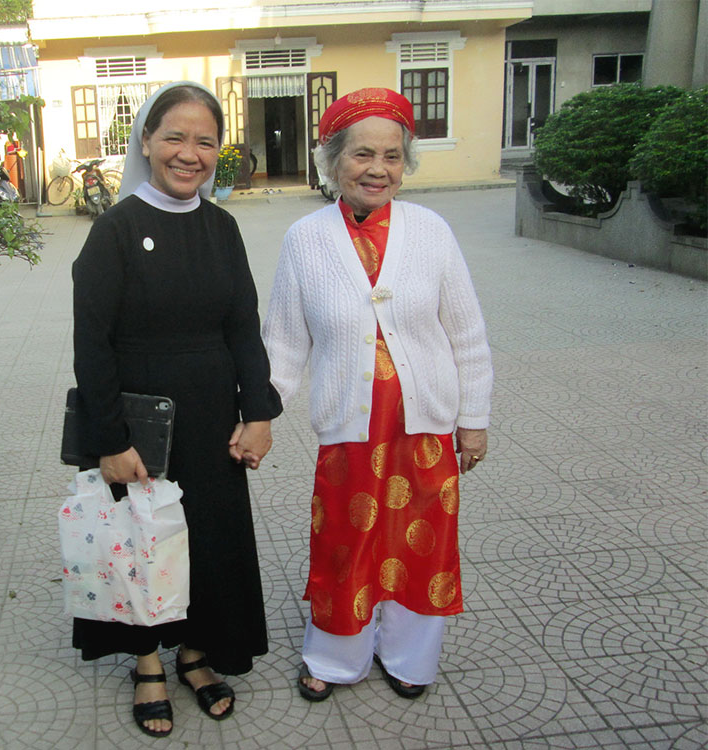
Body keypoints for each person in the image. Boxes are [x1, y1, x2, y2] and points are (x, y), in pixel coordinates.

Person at [261, 88, 493, 702]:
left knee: (421, 543)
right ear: (333, 160)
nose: (378, 169)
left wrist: (473, 419)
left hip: (423, 428)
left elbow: (466, 333)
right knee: (345, 541)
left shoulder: (431, 232)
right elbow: (283, 343)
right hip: (350, 428)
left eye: (392, 156)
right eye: (362, 154)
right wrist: (258, 414)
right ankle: (335, 657)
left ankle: (409, 658)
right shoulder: (305, 240)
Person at [71, 81, 282, 738]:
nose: (190, 153)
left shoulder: (222, 227)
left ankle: (194, 652)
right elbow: (92, 344)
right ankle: (146, 664)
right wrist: (108, 439)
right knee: (140, 542)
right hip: (139, 421)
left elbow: (244, 327)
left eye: (205, 141)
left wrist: (260, 412)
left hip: (212, 415)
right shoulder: (116, 229)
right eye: (175, 137)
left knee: (207, 540)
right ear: (146, 142)